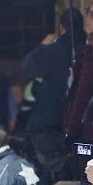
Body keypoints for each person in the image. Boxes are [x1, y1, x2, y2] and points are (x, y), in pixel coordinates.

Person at [21, 9, 79, 176]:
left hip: (50, 120)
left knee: (50, 170)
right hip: (75, 119)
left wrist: (42, 46)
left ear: (61, 28)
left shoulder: (55, 49)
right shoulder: (88, 47)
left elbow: (28, 67)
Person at [63, 0, 93, 142]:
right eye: (88, 13)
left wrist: (71, 128)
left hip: (92, 124)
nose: (89, 18)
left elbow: (84, 91)